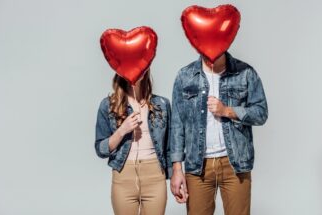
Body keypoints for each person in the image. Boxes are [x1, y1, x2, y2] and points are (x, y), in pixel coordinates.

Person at [170, 52, 268, 215]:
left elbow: (261, 113)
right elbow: (177, 124)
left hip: (235, 164)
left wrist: (227, 111)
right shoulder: (185, 76)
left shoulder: (245, 72)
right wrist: (177, 168)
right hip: (197, 166)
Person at [95, 70, 172, 215]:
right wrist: (122, 130)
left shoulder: (162, 104)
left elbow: (169, 147)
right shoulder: (108, 105)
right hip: (124, 177)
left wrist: (175, 176)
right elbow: (100, 149)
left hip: (155, 177)